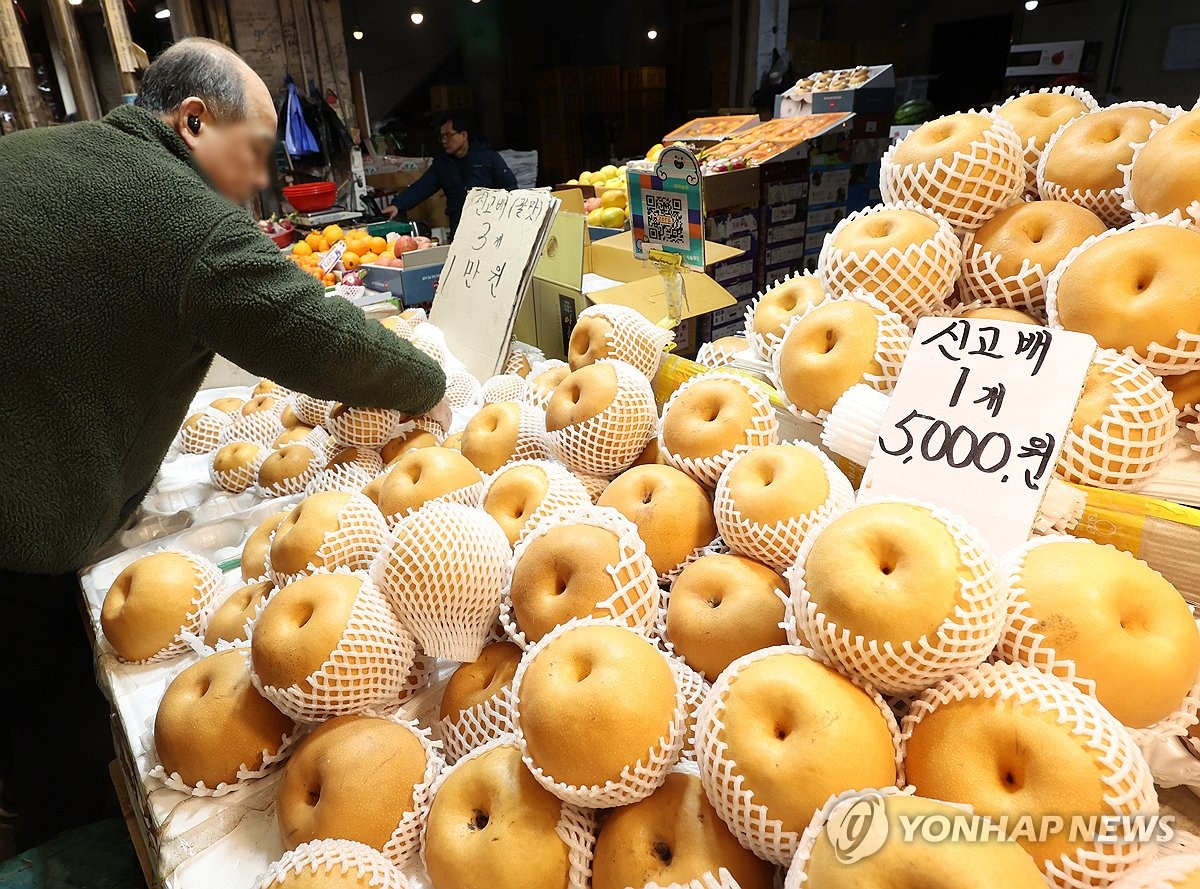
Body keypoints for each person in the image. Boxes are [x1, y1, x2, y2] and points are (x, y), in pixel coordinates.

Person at [0, 37, 447, 852]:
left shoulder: (40, 152)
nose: (259, 181)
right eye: (255, 153)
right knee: (59, 755)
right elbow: (317, 334)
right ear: (193, 121)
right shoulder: (176, 212)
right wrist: (433, 384)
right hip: (15, 536)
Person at [383, 111, 518, 235]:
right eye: (442, 137)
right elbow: (422, 187)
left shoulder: (488, 158)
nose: (444, 141)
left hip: (490, 225)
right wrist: (397, 205)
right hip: (459, 227)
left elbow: (511, 188)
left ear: (463, 135)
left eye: (448, 135)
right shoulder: (443, 164)